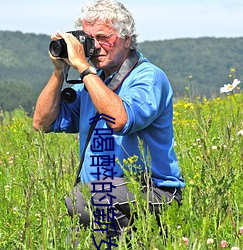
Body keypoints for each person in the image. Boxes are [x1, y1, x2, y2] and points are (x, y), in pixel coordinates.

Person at [33, 0, 185, 246]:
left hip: (153, 192)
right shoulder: (91, 83)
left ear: (126, 39)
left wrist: (83, 68)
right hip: (102, 198)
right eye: (89, 39)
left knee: (82, 199)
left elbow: (120, 120)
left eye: (103, 37)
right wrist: (59, 70)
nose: (95, 47)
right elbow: (42, 123)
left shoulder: (147, 77)